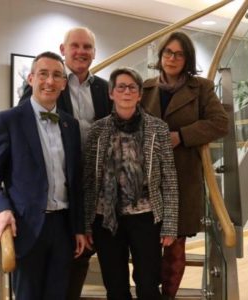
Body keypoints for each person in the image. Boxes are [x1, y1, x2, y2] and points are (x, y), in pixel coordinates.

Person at [0, 51, 86, 300]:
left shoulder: (71, 125)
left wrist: (79, 227)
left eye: (57, 75)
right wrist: (0, 210)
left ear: (63, 83)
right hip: (27, 227)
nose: (50, 81)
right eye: (43, 74)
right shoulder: (8, 120)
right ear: (31, 79)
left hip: (63, 227)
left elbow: (76, 182)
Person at [19, 26, 112, 300]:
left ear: (94, 53)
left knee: (79, 256)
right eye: (75, 46)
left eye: (87, 47)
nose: (81, 52)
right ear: (63, 50)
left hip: (92, 189)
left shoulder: (104, 89)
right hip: (55, 187)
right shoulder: (51, 83)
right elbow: (26, 130)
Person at [141, 31, 229, 300]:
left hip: (183, 178)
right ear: (160, 56)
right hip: (145, 180)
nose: (172, 58)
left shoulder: (201, 87)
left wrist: (182, 136)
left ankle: (168, 296)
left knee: (175, 245)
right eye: (168, 52)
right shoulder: (144, 87)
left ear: (187, 58)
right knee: (145, 243)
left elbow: (219, 123)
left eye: (179, 54)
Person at [83, 67, 179, 300]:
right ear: (111, 93)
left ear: (139, 95)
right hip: (105, 218)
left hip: (145, 217)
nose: (126, 92)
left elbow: (169, 178)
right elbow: (88, 180)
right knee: (115, 287)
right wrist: (86, 223)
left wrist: (170, 225)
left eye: (132, 87)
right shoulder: (97, 130)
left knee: (148, 284)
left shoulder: (158, 128)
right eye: (121, 87)